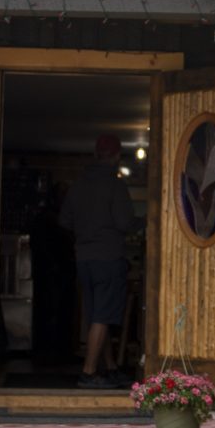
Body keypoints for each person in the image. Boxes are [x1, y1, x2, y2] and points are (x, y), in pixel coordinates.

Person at [60, 133, 135, 389]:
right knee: (103, 317)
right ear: (116, 156)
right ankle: (89, 372)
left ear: (95, 154)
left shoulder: (78, 185)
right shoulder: (115, 186)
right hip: (108, 257)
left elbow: (65, 221)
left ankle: (111, 368)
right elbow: (125, 222)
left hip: (84, 259)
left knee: (96, 316)